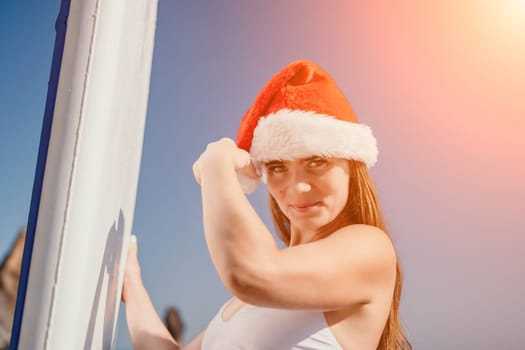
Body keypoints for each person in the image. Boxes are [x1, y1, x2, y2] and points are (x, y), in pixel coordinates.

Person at [122, 59, 412, 350]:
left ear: (351, 164)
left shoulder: (371, 248)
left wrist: (217, 163)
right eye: (277, 167)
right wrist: (132, 284)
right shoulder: (252, 296)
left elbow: (250, 271)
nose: (298, 187)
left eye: (317, 161)